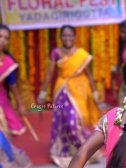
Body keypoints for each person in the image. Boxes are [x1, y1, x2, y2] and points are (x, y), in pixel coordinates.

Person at [37, 25, 102, 167]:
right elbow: (49, 74)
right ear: (60, 37)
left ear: (75, 37)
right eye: (64, 35)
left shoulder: (81, 54)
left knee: (74, 122)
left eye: (70, 35)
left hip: (79, 90)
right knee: (62, 121)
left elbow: (89, 75)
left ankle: (87, 150)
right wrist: (42, 94)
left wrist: (95, 93)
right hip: (61, 90)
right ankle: (65, 153)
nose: (67, 38)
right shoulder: (56, 52)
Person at [0, 24, 26, 136]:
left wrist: (20, 104)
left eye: (6, 38)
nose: (2, 40)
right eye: (0, 36)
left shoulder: (8, 63)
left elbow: (13, 86)